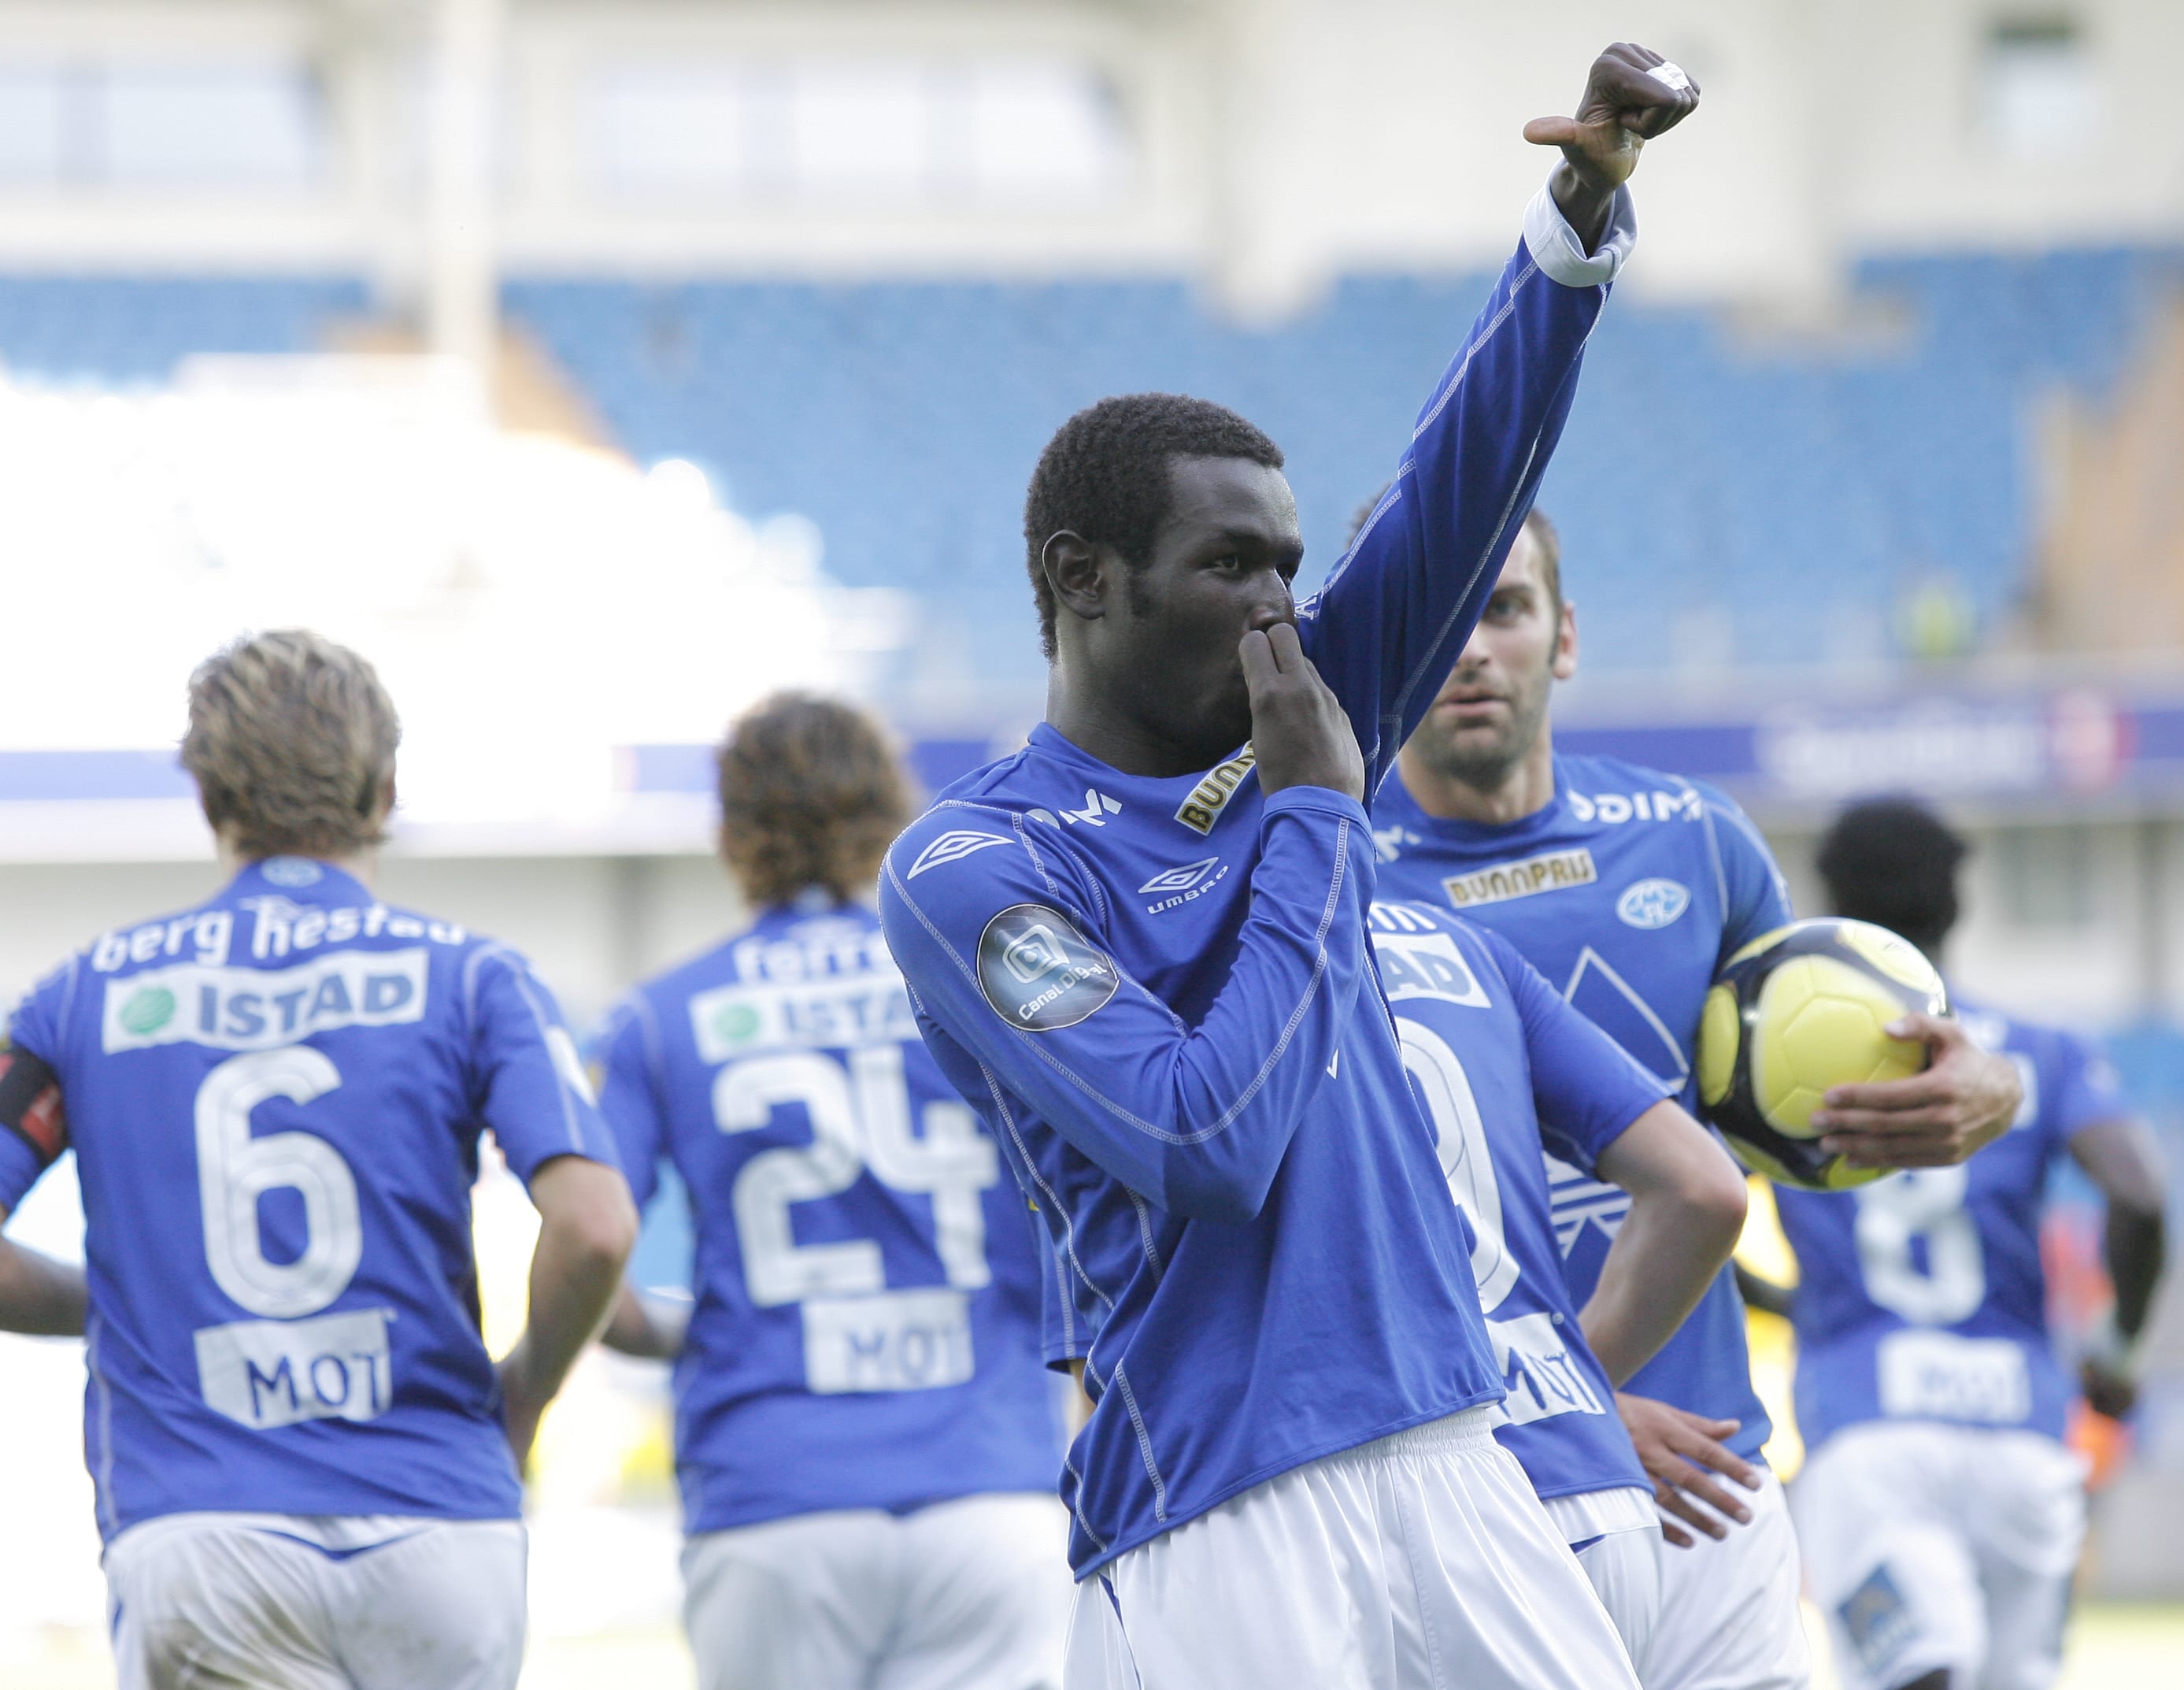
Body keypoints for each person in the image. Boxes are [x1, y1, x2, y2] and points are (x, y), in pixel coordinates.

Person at [879, 43, 1698, 1688]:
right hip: (1217, 1502)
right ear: (1083, 577)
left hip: (1460, 1451)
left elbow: (1460, 493)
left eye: (1287, 566)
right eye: (1227, 566)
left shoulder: (1304, 709)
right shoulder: (973, 861)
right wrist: (1320, 815)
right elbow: (1201, 1138)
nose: (1277, 608)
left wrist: (1576, 216)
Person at [1371, 513, 2026, 1690]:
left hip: (1709, 1491)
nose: (1470, 647)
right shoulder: (1321, 876)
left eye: (1504, 608)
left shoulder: (1693, 838)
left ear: (1564, 636)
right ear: (1381, 645)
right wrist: (1559, 1409)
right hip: (1470, 1500)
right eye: (1437, 613)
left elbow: (1835, 1061)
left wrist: (1987, 1085)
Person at [0, 629, 636, 1690]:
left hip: (205, 1533)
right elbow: (597, 1227)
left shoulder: (82, 993)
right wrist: (525, 1393)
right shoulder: (479, 978)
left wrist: (115, 1299)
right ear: (385, 790)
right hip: (439, 1526)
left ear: (208, 798)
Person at [594, 692, 1069, 1690]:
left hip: (777, 1496)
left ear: (732, 834)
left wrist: (693, 1329)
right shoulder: (977, 985)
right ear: (890, 811)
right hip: (989, 1484)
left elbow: (592, 1255)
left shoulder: (659, 1017)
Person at [1775, 798, 2168, 1690]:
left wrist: (1783, 1302)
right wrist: (2121, 1350)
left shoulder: (1781, 1057)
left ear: (1831, 900)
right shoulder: (2043, 1050)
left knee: (1916, 1675)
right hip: (2024, 1438)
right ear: (1957, 903)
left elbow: (1695, 1198)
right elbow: (2140, 1198)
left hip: (1865, 1426)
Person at [1364, 895, 1749, 1669]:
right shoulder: (1462, 944)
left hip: (1396, 1501)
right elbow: (1704, 1189)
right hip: (1594, 1486)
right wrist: (1573, 1385)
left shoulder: (1201, 954)